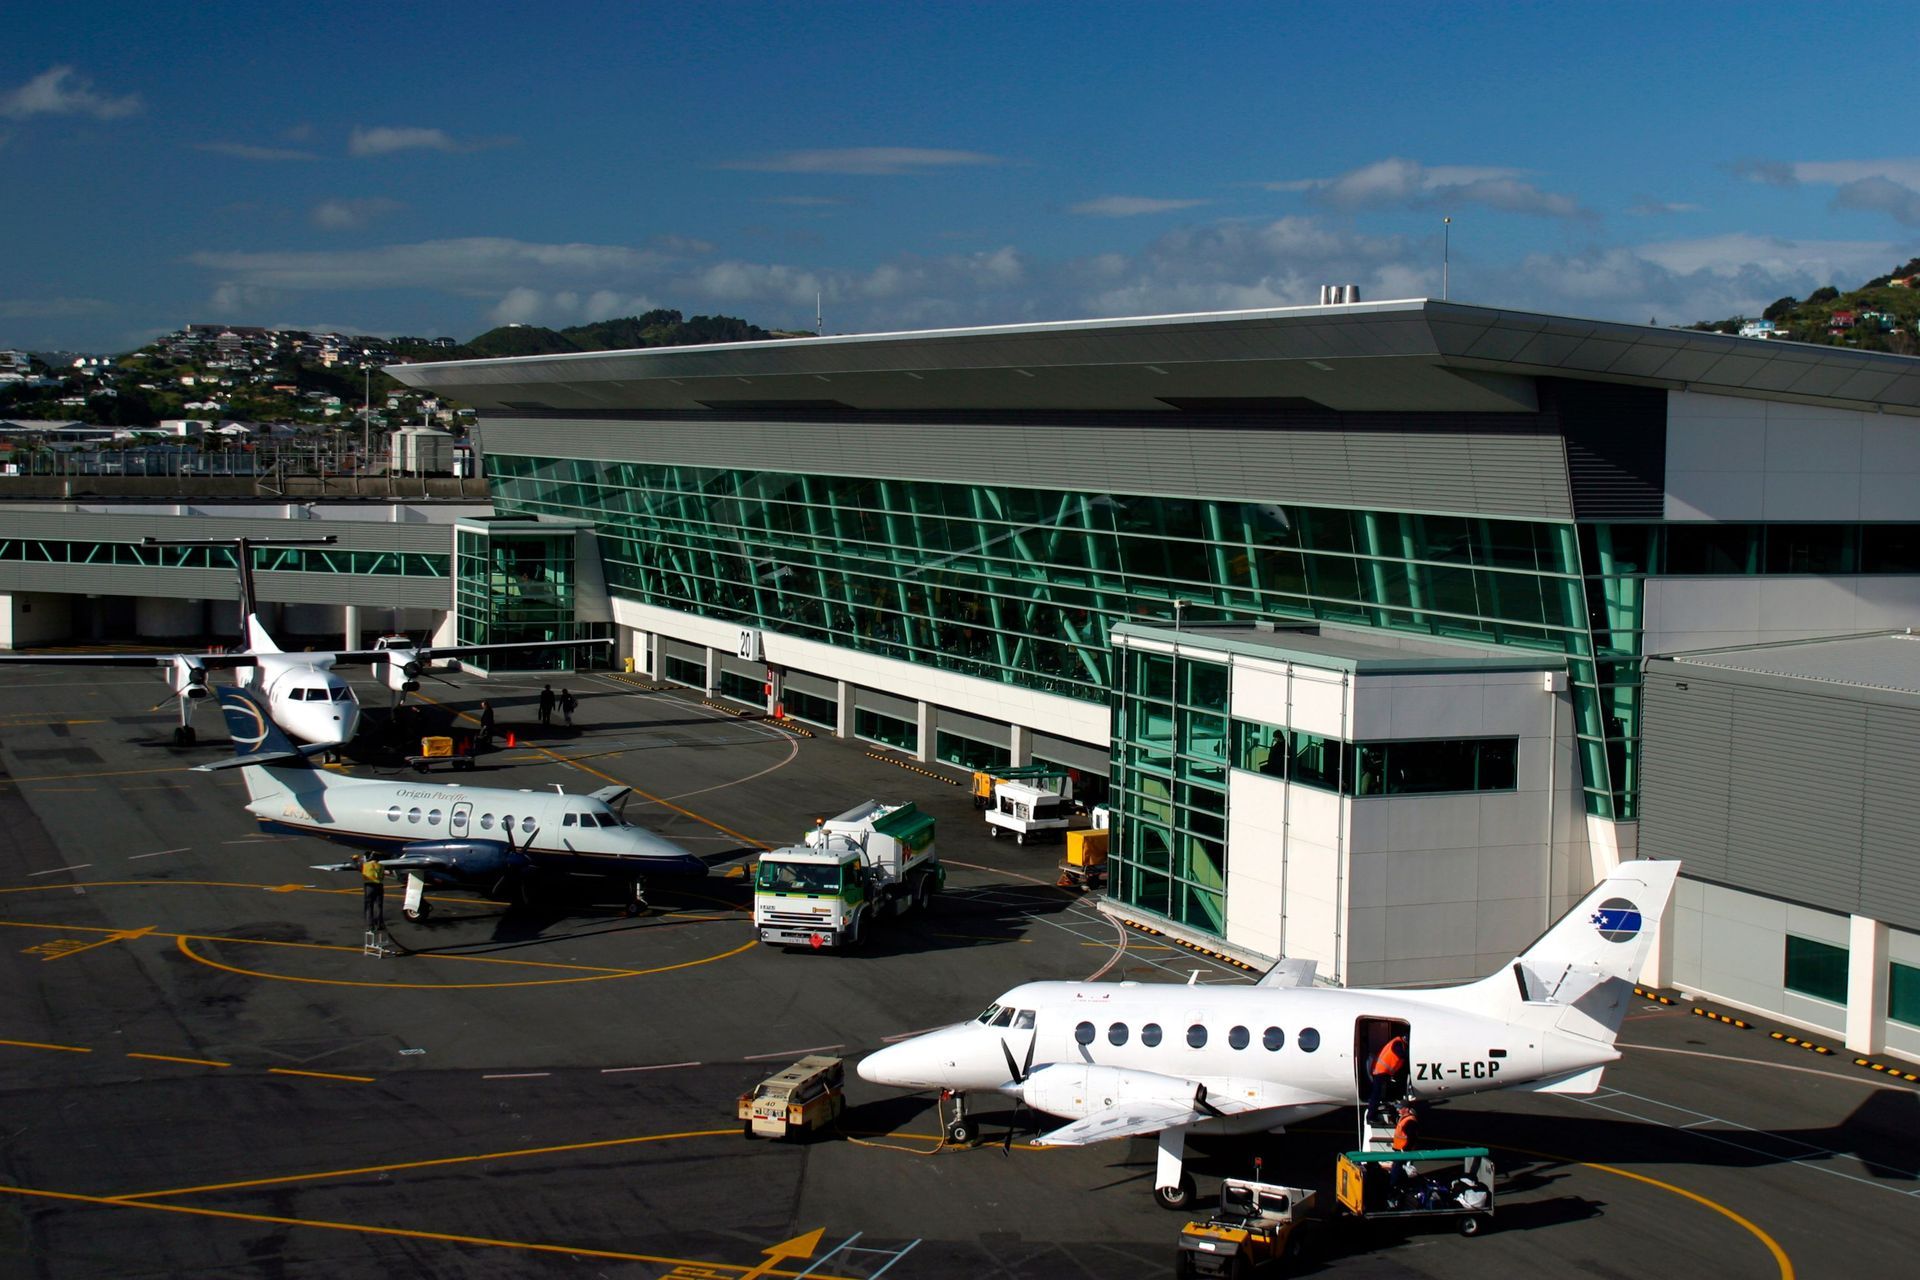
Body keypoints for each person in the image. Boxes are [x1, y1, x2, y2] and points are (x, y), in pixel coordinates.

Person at [1367, 1032, 1408, 1120]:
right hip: (1381, 1071)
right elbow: (1402, 1055)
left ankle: (1377, 1111)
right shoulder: (1398, 1044)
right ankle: (1370, 1116)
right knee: (1376, 1094)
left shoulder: (1398, 1042)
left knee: (1381, 1092)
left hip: (1383, 1071)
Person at [360, 854, 385, 936]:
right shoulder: (381, 866)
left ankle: (370, 926)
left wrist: (354, 860)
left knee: (369, 906)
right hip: (379, 886)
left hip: (370, 886)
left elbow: (356, 866)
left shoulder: (365, 865)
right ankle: (380, 924)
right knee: (379, 906)